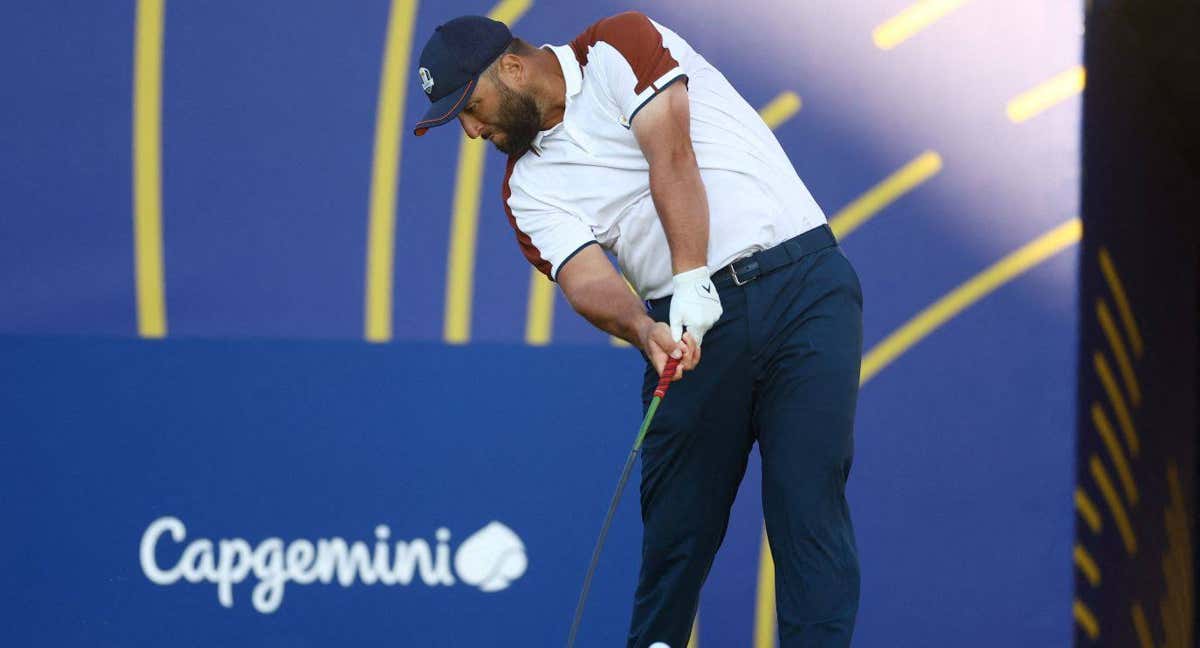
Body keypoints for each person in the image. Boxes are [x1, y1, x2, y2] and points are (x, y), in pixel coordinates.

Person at [412, 12, 864, 648]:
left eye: (472, 106)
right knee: (677, 531)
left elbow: (670, 151)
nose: (471, 129)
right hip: (684, 333)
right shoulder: (526, 189)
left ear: (512, 68)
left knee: (807, 502)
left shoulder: (617, 44)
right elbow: (586, 280)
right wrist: (641, 330)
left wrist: (691, 278)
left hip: (802, 285)